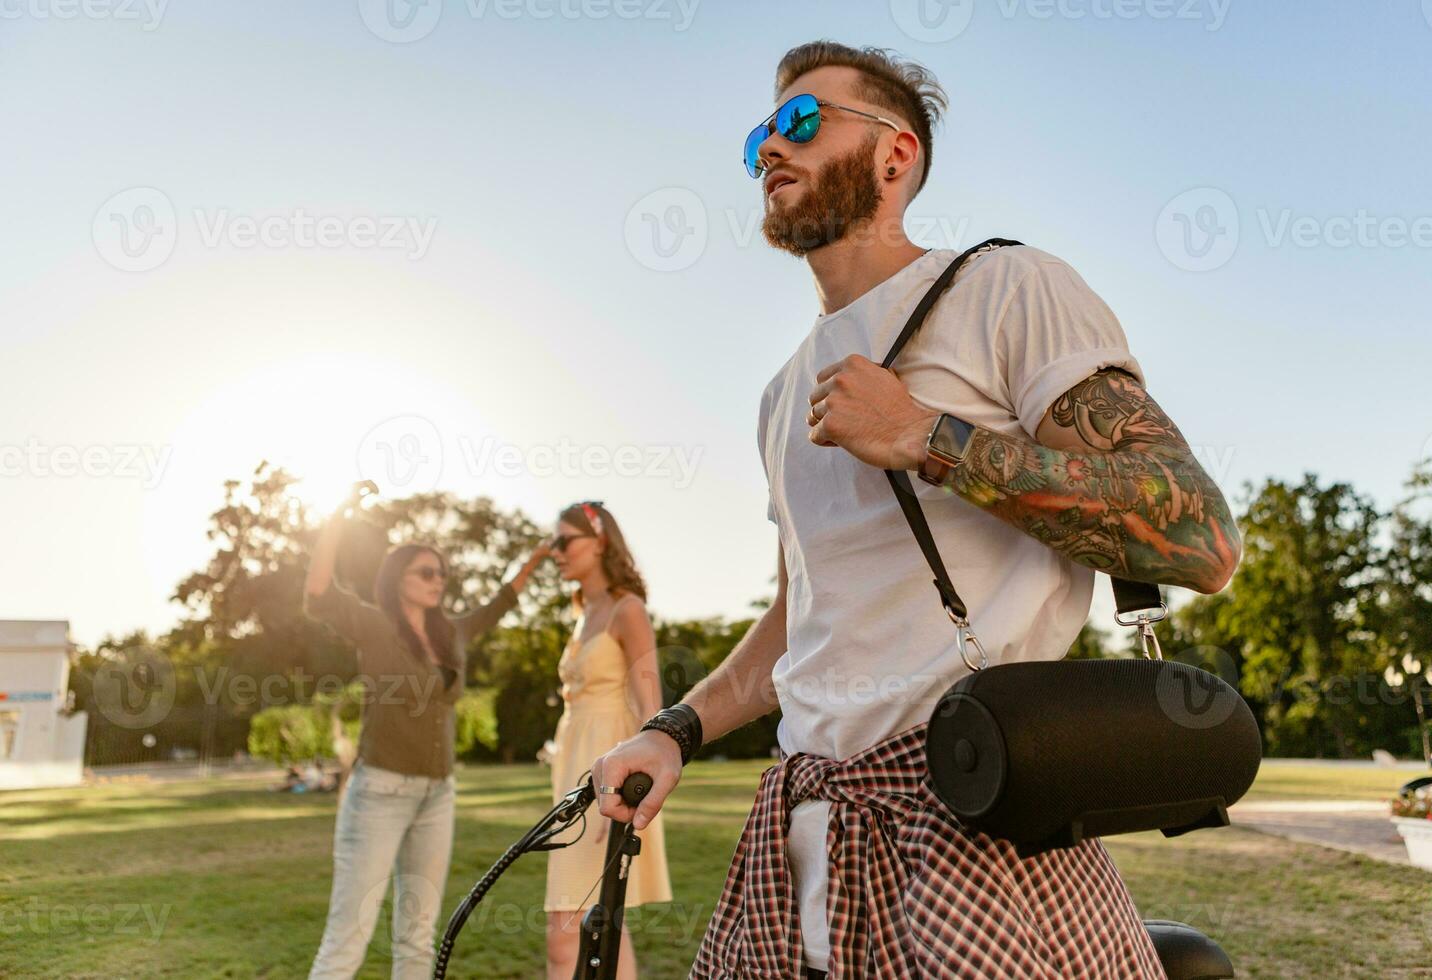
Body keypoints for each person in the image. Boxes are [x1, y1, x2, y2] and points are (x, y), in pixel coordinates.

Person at [592, 41, 1243, 979]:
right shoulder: (784, 394)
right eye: (759, 138)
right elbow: (799, 621)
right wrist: (673, 729)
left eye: (802, 122)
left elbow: (1199, 535)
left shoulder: (1006, 287)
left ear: (895, 155)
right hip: (801, 820)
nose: (772, 149)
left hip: (971, 809)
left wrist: (930, 437)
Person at [303, 491, 551, 978]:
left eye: (442, 573)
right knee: (348, 934)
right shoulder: (373, 626)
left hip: (438, 793)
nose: (439, 581)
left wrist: (537, 556)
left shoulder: (451, 634)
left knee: (417, 936)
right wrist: (336, 513)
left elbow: (502, 602)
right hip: (379, 792)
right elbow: (317, 593)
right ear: (398, 579)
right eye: (427, 572)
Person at [543, 500, 672, 980]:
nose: (554, 552)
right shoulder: (582, 609)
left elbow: (650, 707)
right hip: (573, 775)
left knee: (568, 932)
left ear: (599, 542)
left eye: (562, 541)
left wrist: (619, 791)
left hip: (607, 781)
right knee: (601, 927)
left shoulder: (626, 608)